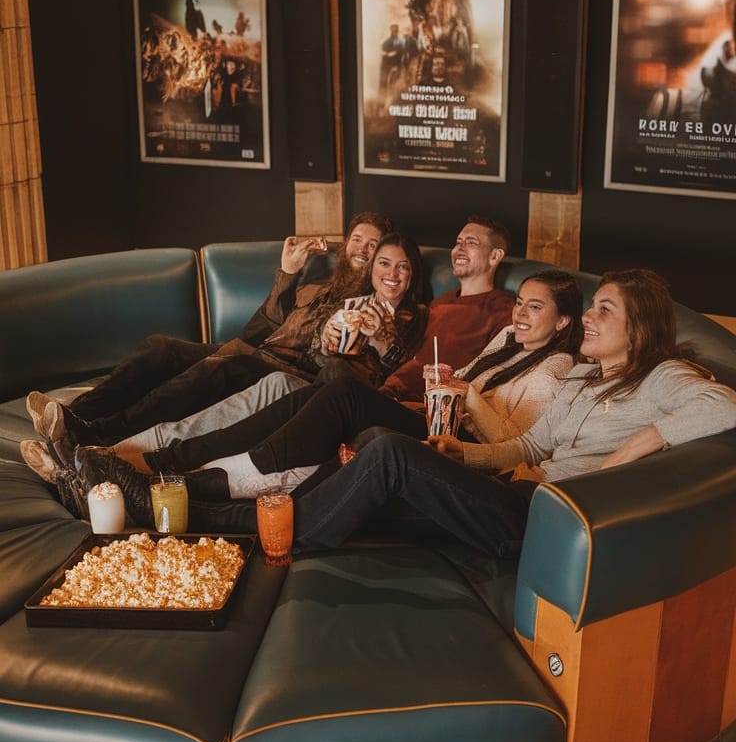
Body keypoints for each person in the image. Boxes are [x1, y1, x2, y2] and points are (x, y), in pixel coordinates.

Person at [73, 271, 736, 565]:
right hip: (511, 490)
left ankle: (183, 491)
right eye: (592, 306)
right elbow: (529, 447)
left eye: (604, 310)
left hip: (543, 521)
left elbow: (727, 404)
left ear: (640, 327)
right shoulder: (587, 377)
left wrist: (639, 447)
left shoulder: (662, 378)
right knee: (356, 431)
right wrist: (460, 455)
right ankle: (178, 497)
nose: (590, 317)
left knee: (387, 451)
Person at [69, 269, 584, 520]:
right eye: (520, 302)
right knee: (314, 393)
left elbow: (516, 443)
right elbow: (458, 385)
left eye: (535, 308)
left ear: (563, 322)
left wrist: (466, 395)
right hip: (433, 421)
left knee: (341, 391)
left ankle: (206, 473)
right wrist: (440, 390)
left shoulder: (558, 367)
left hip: (461, 450)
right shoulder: (507, 340)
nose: (520, 313)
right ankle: (159, 462)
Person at [25, 212, 392, 456]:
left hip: (287, 377)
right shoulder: (315, 284)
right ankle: (72, 416)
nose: (362, 249)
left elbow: (356, 370)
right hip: (255, 353)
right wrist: (287, 273)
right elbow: (256, 331)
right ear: (345, 244)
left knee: (215, 368)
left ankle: (96, 435)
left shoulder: (372, 309)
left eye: (372, 245)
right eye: (356, 239)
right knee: (160, 347)